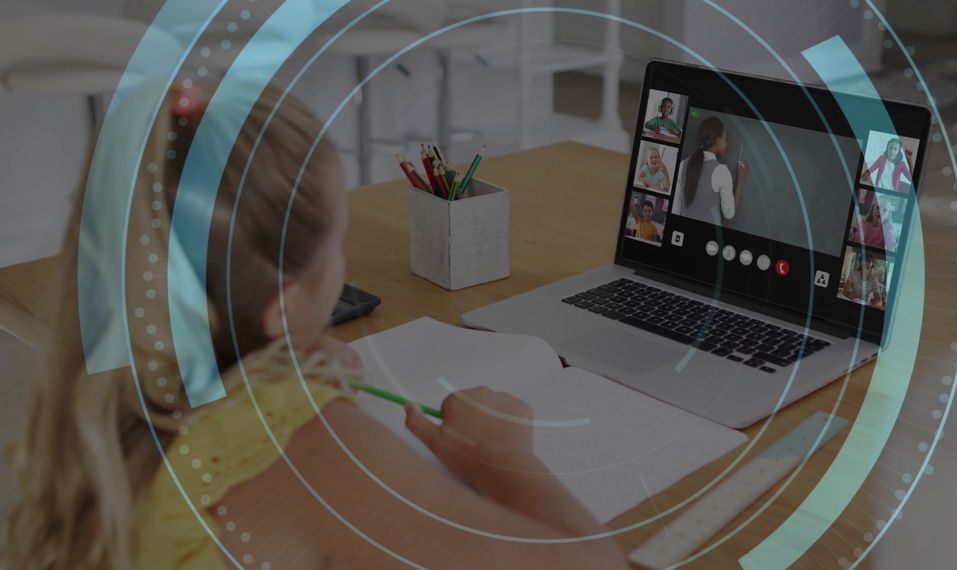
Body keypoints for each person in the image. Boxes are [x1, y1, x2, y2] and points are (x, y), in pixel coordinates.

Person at [2, 81, 627, 570]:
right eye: (340, 240)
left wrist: (283, 369)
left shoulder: (107, 383)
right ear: (283, 302)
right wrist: (502, 458)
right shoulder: (298, 449)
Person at [671, 117, 749, 222]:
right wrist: (741, 179)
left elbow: (675, 209)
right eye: (726, 139)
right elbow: (729, 214)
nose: (727, 143)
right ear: (717, 140)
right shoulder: (721, 171)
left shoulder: (683, 165)